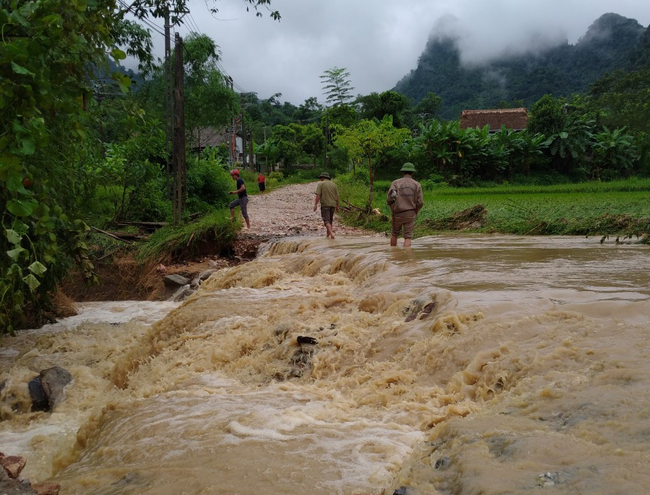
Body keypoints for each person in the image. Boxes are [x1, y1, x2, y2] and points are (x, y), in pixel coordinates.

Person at [387, 162, 423, 248]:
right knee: (408, 236)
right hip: (410, 213)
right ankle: (407, 257)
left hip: (397, 213)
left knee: (394, 234)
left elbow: (390, 199)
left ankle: (393, 254)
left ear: (402, 172)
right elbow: (420, 202)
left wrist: (392, 209)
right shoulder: (417, 185)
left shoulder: (396, 183)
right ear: (413, 173)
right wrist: (415, 212)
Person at [313, 172, 339, 239]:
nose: (320, 180)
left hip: (325, 204)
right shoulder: (334, 185)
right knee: (330, 220)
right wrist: (337, 206)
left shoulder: (321, 184)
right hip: (333, 205)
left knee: (326, 220)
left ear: (323, 178)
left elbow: (318, 195)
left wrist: (315, 204)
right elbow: (337, 197)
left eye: (321, 178)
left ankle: (332, 233)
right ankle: (328, 235)